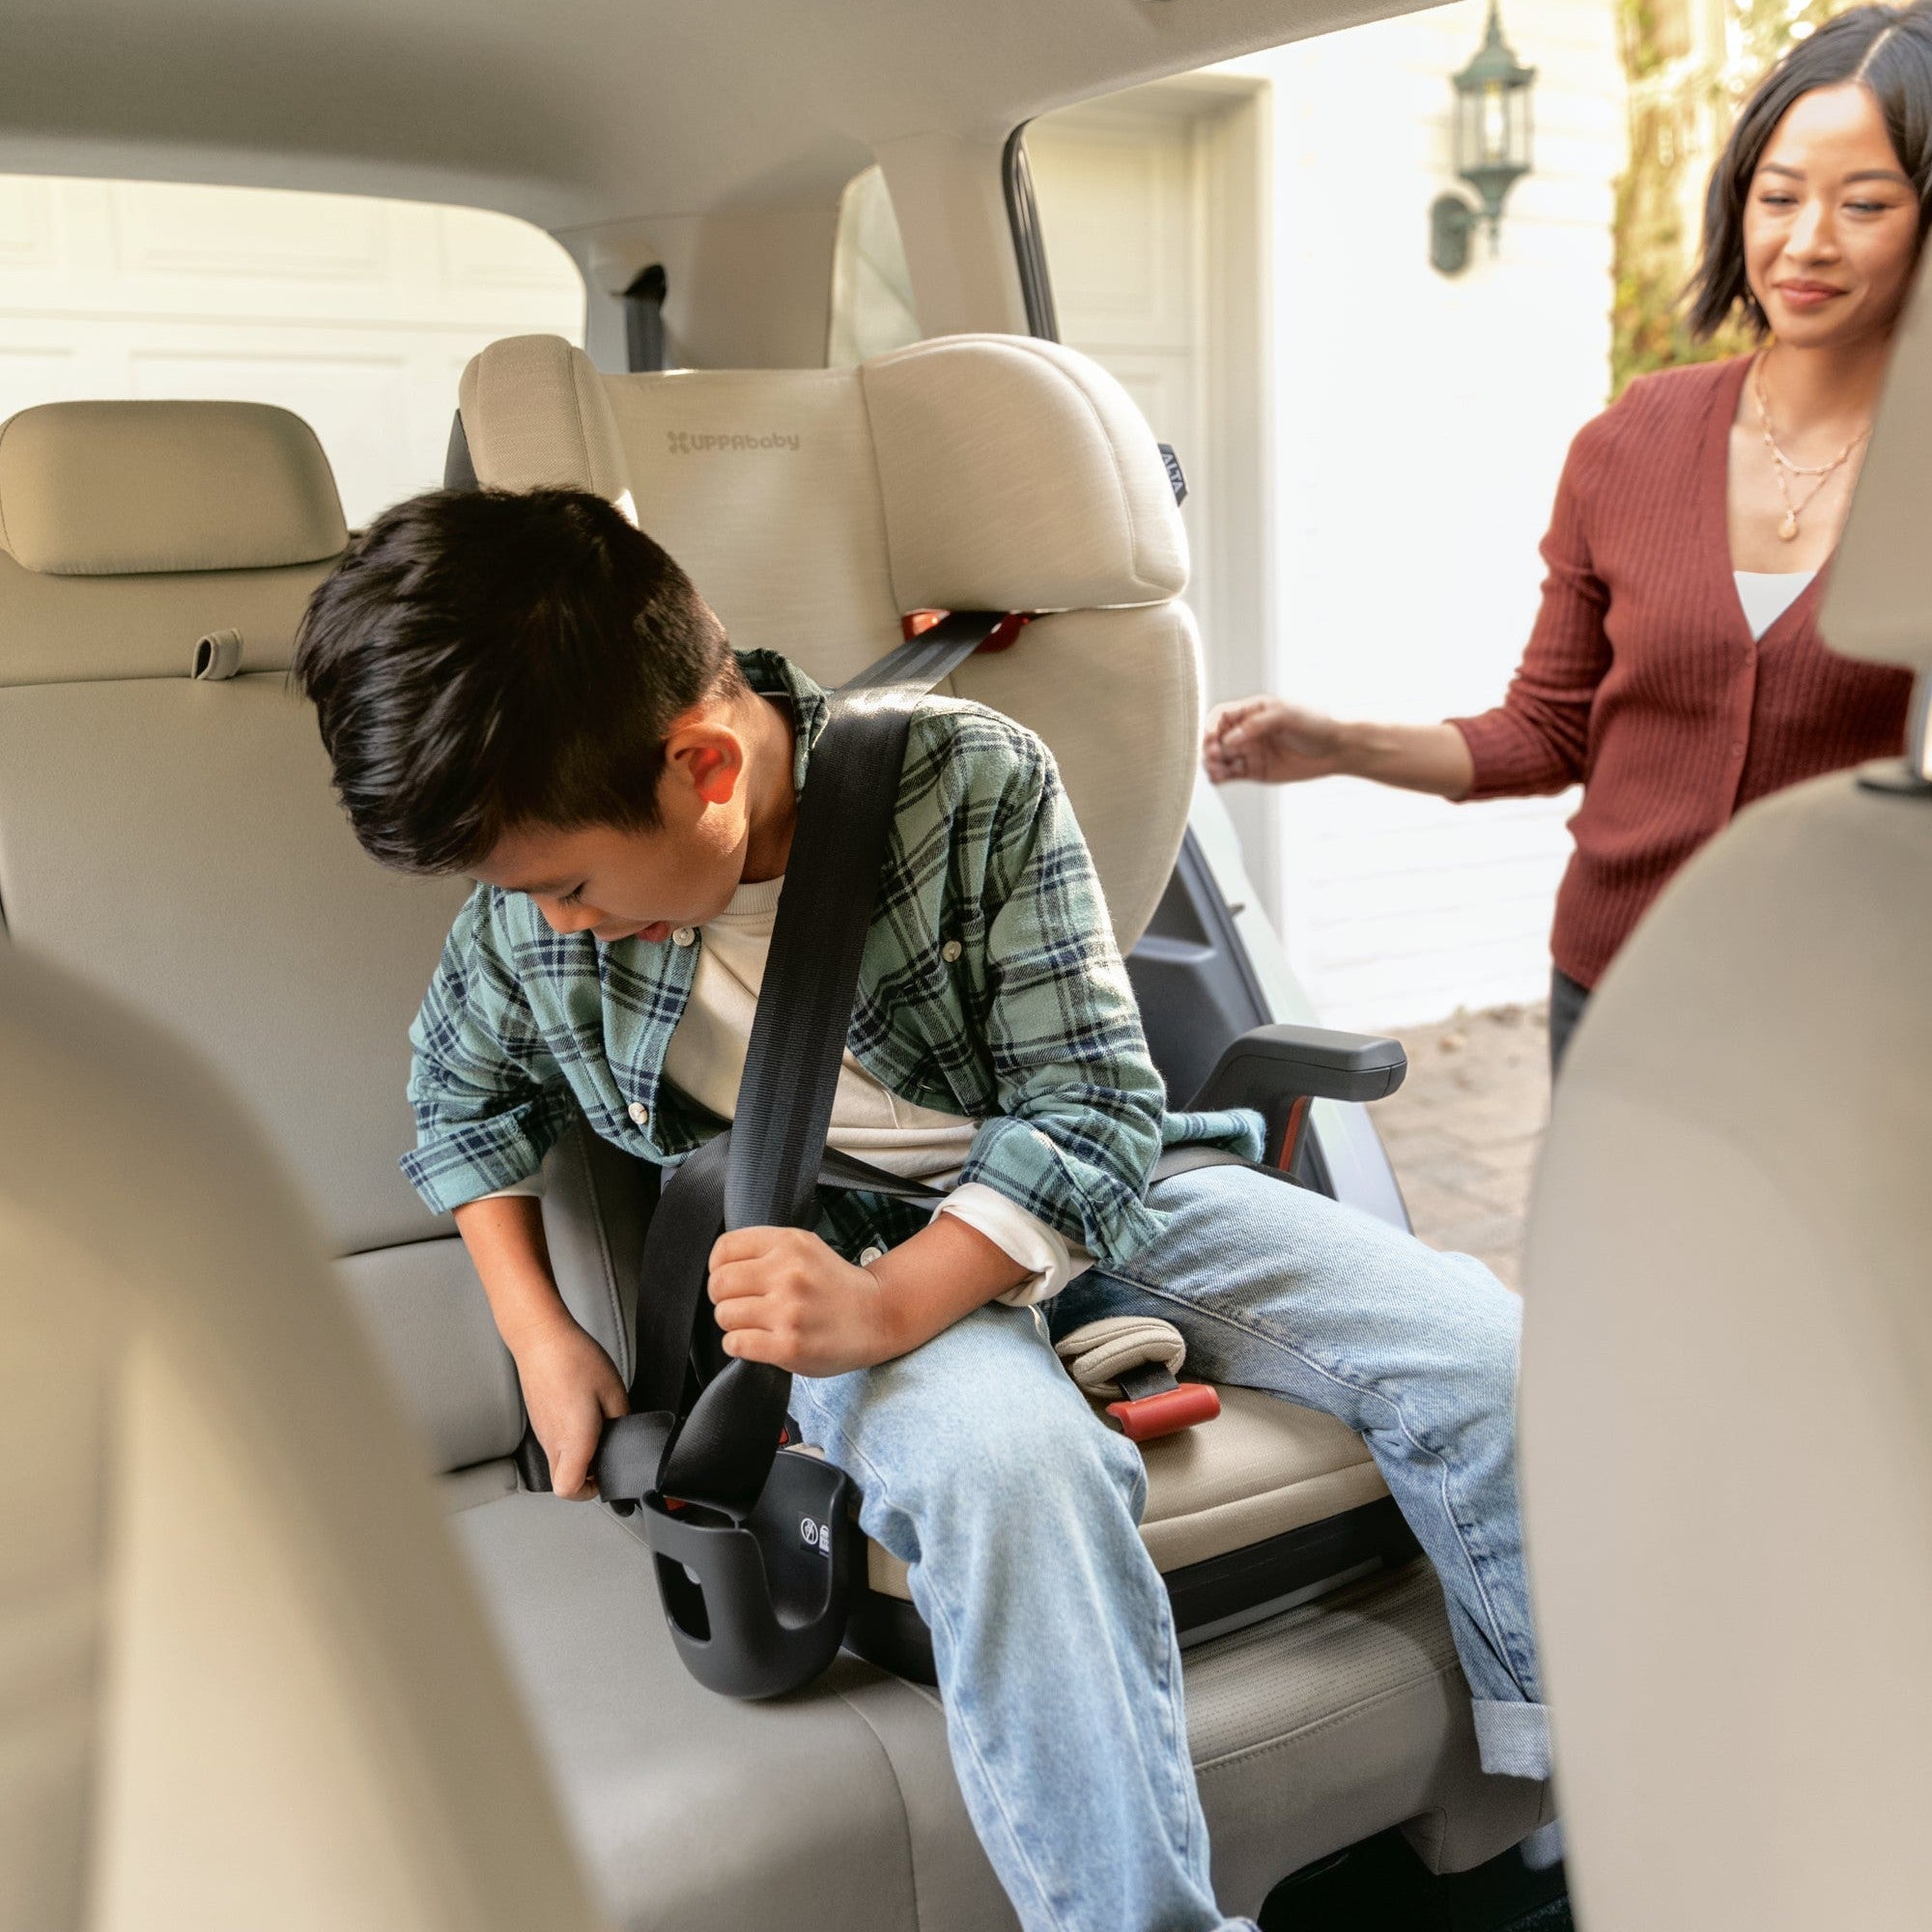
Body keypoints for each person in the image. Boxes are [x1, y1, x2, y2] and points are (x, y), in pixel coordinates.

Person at [293, 487, 1549, 1932]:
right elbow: (461, 1104)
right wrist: (538, 1333)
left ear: (704, 765)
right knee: (1009, 1472)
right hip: (831, 1255)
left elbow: (1089, 1107)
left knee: (1486, 1349)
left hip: (1087, 1194)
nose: (553, 919)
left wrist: (903, 1298)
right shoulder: (526, 926)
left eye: (569, 883)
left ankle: (1550, 1787)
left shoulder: (968, 784)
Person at [1204, 3, 1930, 1073]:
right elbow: (1550, 729)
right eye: (1778, 196)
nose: (1807, 239)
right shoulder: (1631, 441)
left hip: (1858, 1013)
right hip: (1615, 989)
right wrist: (1343, 745)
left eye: (1864, 203)